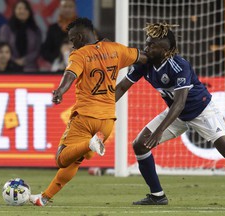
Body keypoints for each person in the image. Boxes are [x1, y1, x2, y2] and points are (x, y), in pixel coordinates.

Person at [116, 22, 225, 205]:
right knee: (140, 145)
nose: (146, 48)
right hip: (176, 115)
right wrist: (102, 106)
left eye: (151, 46)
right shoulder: (144, 64)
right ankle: (157, 195)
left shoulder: (179, 65)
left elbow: (180, 102)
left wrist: (159, 131)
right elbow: (122, 87)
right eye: (146, 43)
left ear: (164, 50)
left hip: (202, 111)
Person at [29, 17, 147, 206]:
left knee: (61, 158)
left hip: (85, 117)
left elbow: (70, 74)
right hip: (107, 121)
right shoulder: (116, 49)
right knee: (75, 161)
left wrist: (60, 90)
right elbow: (143, 57)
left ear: (81, 37)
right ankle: (44, 197)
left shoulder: (80, 54)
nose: (71, 44)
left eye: (72, 39)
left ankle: (89, 144)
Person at [0, 0, 41, 72]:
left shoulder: (35, 30)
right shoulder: (6, 29)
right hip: (10, 68)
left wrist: (25, 60)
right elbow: (2, 49)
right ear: (14, 11)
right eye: (19, 8)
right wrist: (14, 60)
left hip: (31, 69)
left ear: (29, 12)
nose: (22, 11)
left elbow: (38, 50)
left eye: (25, 9)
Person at [41, 0, 77, 64]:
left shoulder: (83, 27)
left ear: (75, 8)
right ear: (60, 8)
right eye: (64, 6)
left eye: (70, 6)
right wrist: (59, 55)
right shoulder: (53, 28)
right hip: (58, 68)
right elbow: (45, 51)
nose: (67, 10)